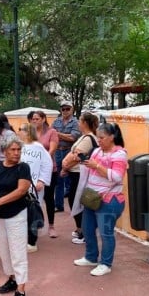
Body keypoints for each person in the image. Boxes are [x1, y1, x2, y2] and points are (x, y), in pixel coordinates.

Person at [73, 122, 127, 276]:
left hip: (109, 200)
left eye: (102, 138)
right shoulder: (97, 151)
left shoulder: (120, 154)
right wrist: (83, 161)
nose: (99, 141)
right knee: (88, 229)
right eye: (98, 137)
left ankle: (106, 263)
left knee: (106, 233)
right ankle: (91, 257)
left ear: (111, 137)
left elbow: (117, 177)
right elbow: (90, 168)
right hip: (92, 198)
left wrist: (96, 166)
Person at [0, 137, 31, 296]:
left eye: (18, 150)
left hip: (16, 214)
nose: (16, 153)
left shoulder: (23, 168)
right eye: (12, 150)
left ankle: (21, 290)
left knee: (17, 251)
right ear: (4, 151)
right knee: (4, 250)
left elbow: (21, 190)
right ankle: (12, 279)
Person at [61, 112, 100, 244]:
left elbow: (77, 156)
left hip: (80, 174)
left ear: (84, 123)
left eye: (80, 121)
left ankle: (83, 231)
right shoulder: (85, 137)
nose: (78, 123)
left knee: (76, 201)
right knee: (74, 200)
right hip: (76, 173)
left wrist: (65, 166)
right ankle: (80, 229)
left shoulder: (88, 138)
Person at [18, 123, 52, 252]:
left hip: (34, 187)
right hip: (19, 186)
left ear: (27, 132)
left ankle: (32, 242)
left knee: (32, 213)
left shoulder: (38, 147)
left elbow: (47, 165)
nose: (18, 132)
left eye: (20, 129)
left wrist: (42, 181)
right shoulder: (18, 147)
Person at [29, 110, 59, 238]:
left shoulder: (51, 132)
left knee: (48, 197)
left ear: (43, 119)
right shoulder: (29, 133)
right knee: (32, 199)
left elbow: (52, 149)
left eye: (37, 118)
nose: (35, 121)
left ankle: (51, 226)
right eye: (33, 119)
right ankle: (34, 225)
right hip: (32, 172)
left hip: (48, 170)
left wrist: (42, 161)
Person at [51, 101, 81, 213]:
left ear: (71, 109)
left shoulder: (75, 122)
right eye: (63, 109)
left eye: (67, 109)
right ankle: (59, 205)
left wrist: (58, 134)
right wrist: (65, 136)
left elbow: (73, 138)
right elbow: (51, 134)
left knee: (72, 180)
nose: (65, 111)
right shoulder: (56, 121)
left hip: (70, 153)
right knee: (58, 180)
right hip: (58, 152)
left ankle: (75, 206)